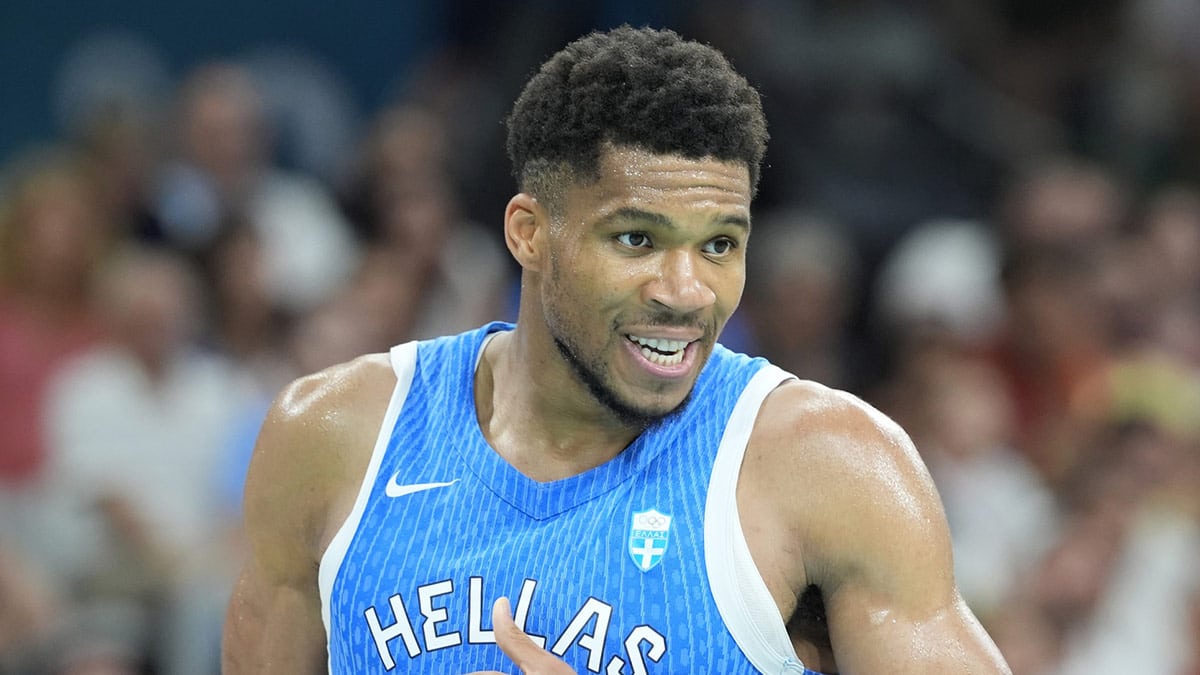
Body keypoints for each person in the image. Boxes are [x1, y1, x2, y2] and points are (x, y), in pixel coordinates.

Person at [222, 26, 1011, 674]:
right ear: (529, 234)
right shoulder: (333, 436)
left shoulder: (826, 462)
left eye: (719, 245)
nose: (686, 290)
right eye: (637, 239)